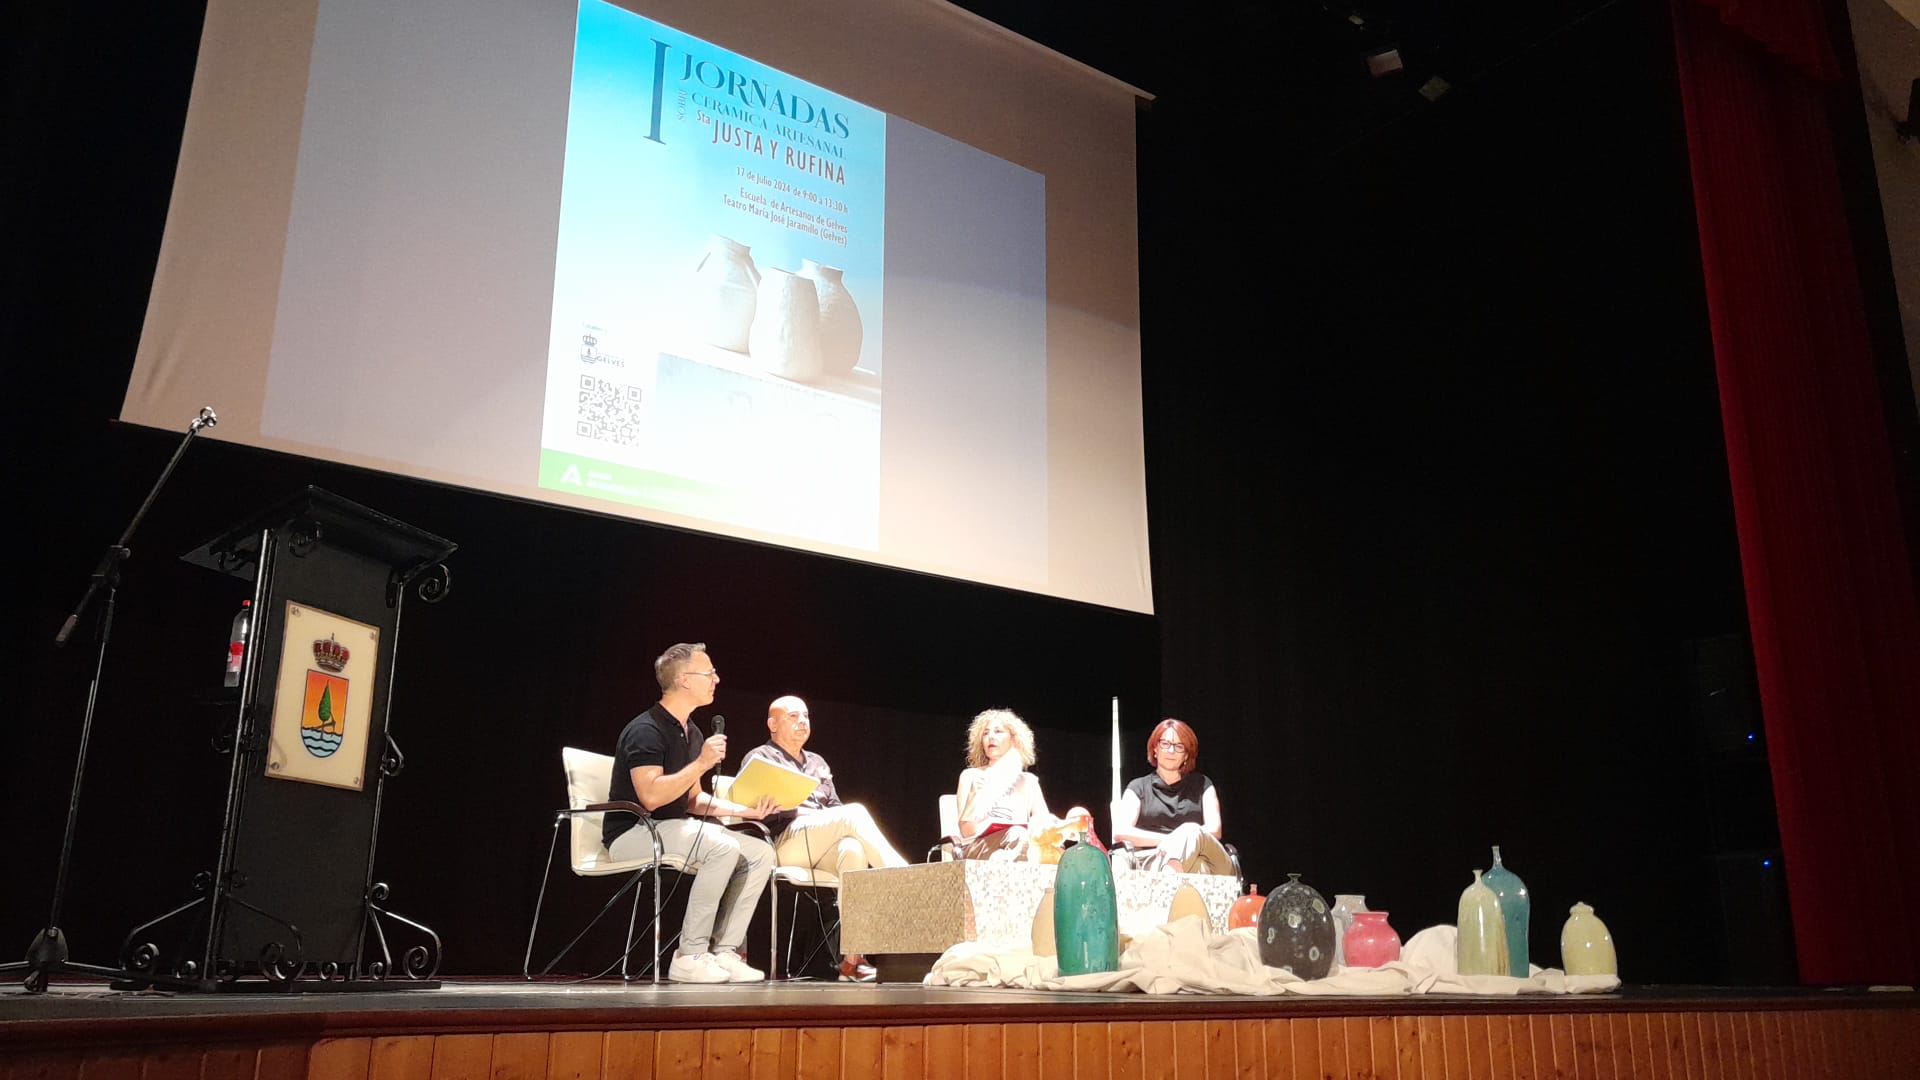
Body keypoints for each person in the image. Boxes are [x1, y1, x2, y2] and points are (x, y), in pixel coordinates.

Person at [604, 642, 779, 983]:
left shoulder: (692, 732)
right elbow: (651, 797)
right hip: (633, 833)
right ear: (684, 680)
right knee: (722, 847)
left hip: (672, 828)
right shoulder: (646, 730)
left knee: (760, 852)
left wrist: (747, 811)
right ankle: (689, 954)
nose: (717, 679)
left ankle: (725, 951)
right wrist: (701, 763)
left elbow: (694, 801)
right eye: (709, 672)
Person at [739, 695, 910, 982]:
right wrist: (808, 812)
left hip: (818, 841)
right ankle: (907, 880)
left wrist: (826, 817)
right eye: (793, 716)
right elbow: (753, 808)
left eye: (806, 716)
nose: (802, 722)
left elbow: (835, 808)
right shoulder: (760, 757)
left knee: (852, 848)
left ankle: (852, 959)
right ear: (772, 724)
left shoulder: (817, 762)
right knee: (855, 813)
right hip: (782, 841)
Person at [1110, 718, 1233, 875]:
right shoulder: (1138, 787)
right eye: (1165, 744)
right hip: (1156, 858)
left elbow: (1214, 830)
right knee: (1192, 865)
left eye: (1179, 746)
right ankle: (1171, 875)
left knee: (1191, 829)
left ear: (1186, 755)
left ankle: (1169, 877)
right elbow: (1121, 831)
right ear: (1155, 749)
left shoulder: (1203, 784)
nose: (1171, 750)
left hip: (1207, 858)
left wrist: (1183, 837)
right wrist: (1169, 841)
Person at [954, 708, 1052, 860]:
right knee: (1018, 836)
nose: (991, 737)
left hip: (1018, 841)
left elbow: (1044, 822)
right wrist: (974, 795)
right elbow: (966, 831)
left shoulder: (1028, 781)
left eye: (998, 731)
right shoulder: (970, 776)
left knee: (1047, 847)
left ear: (1014, 740)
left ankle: (1004, 859)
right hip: (977, 846)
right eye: (985, 733)